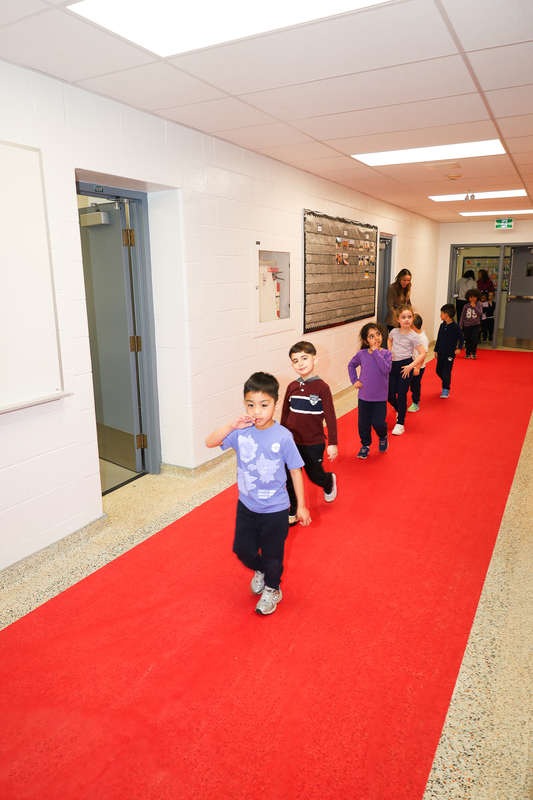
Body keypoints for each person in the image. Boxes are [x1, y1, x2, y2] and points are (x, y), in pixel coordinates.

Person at [206, 372, 311, 616]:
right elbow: (210, 442)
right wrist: (231, 425)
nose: (257, 411)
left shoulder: (284, 437)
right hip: (247, 505)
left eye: (264, 405)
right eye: (251, 404)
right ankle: (263, 571)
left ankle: (273, 588)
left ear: (275, 403)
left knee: (274, 555)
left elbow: (296, 471)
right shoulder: (241, 431)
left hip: (275, 509)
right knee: (243, 550)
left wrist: (301, 506)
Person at [281, 341, 338, 525]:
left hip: (313, 443)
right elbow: (285, 413)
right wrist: (280, 436)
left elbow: (330, 417)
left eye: (304, 358)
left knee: (314, 475)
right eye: (295, 360)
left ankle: (327, 480)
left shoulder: (322, 388)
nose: (300, 363)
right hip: (292, 442)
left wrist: (333, 442)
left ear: (315, 359)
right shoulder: (291, 386)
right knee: (290, 477)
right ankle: (294, 507)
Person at [347, 323, 392, 459]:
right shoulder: (361, 354)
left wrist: (377, 352)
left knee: (378, 423)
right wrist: (354, 380)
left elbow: (386, 369)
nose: (376, 338)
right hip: (364, 396)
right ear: (367, 341)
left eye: (378, 334)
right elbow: (351, 365)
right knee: (363, 424)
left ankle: (383, 435)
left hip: (380, 397)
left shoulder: (386, 353)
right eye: (371, 336)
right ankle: (365, 445)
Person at [387, 306, 426, 435]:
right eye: (403, 317)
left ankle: (400, 423)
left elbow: (422, 354)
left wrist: (412, 366)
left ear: (413, 319)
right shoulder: (393, 332)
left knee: (402, 394)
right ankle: (400, 409)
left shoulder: (414, 336)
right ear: (398, 319)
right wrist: (390, 352)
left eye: (409, 317)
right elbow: (389, 340)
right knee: (390, 395)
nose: (406, 320)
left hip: (406, 366)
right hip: (394, 366)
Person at [434, 304, 464, 398]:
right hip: (441, 352)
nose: (440, 315)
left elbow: (461, 338)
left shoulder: (455, 326)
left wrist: (459, 348)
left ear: (446, 315)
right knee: (438, 371)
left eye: (441, 313)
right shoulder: (442, 326)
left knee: (446, 371)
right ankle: (446, 381)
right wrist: (436, 350)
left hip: (450, 354)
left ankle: (445, 389)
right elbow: (439, 338)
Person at [407, 314, 430, 413]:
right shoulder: (413, 336)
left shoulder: (422, 338)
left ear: (413, 327)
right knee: (405, 384)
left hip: (418, 367)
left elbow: (423, 354)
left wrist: (417, 367)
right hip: (410, 365)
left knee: (415, 385)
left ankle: (415, 402)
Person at [460, 288, 483, 359]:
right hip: (467, 325)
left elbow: (479, 314)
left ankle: (473, 352)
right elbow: (462, 316)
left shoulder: (479, 305)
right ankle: (467, 353)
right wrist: (460, 325)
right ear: (468, 298)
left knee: (474, 338)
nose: (472, 299)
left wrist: (474, 307)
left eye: (474, 297)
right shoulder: (466, 306)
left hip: (475, 325)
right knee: (467, 339)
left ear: (477, 297)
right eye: (470, 297)